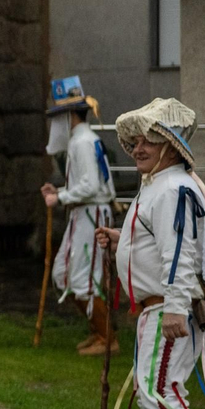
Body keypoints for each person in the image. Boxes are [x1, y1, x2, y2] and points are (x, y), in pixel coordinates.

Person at [95, 98, 205, 409]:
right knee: (152, 385)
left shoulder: (173, 188)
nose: (137, 147)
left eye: (149, 138)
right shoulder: (160, 185)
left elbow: (180, 254)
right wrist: (121, 240)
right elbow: (158, 244)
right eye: (134, 140)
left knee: (160, 389)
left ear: (171, 143)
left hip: (169, 310)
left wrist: (173, 308)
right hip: (156, 307)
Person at [40, 76, 116, 355]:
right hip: (83, 214)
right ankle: (98, 332)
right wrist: (61, 191)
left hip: (91, 216)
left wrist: (59, 197)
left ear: (70, 115)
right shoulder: (83, 141)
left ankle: (107, 337)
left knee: (85, 277)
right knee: (64, 273)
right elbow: (86, 183)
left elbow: (92, 187)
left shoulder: (83, 142)